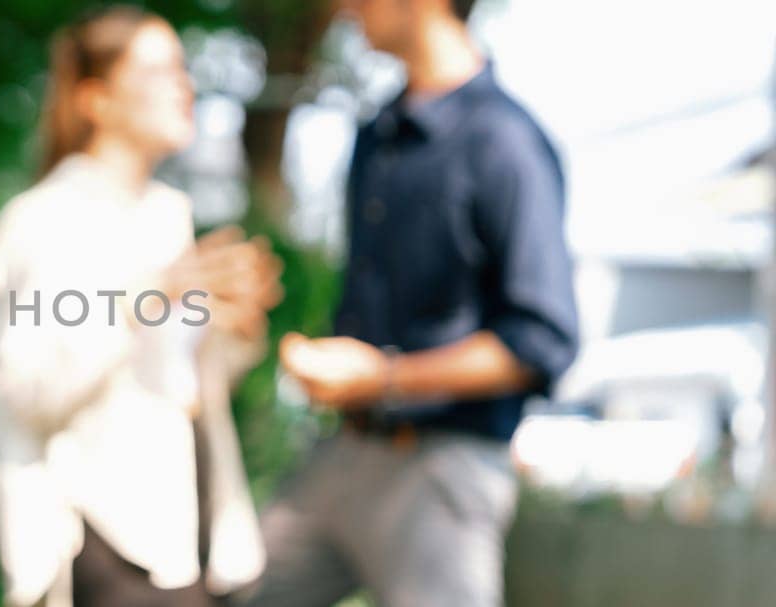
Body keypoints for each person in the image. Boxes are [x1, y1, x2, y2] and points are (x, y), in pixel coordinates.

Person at [246, 0, 579, 605]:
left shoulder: (505, 142)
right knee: (240, 589)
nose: (347, 10)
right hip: (344, 449)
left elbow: (542, 339)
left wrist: (384, 377)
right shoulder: (379, 135)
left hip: (441, 469)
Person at [0, 6, 283, 606]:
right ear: (97, 99)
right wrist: (146, 298)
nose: (184, 86)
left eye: (183, 68)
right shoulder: (45, 218)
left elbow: (175, 384)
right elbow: (27, 387)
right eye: (159, 70)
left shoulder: (169, 213)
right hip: (101, 545)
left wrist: (237, 328)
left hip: (185, 538)